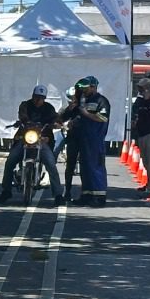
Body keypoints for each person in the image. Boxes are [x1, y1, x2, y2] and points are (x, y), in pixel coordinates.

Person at [0, 85, 64, 206]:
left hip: (42, 140)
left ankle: (58, 195)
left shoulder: (48, 108)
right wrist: (23, 121)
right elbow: (22, 115)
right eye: (36, 97)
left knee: (51, 164)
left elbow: (56, 118)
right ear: (33, 96)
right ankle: (6, 191)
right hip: (25, 138)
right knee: (10, 161)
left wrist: (57, 123)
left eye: (41, 98)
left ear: (44, 98)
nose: (38, 100)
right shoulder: (25, 105)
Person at [59, 76, 111, 206]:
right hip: (81, 139)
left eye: (86, 88)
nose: (84, 91)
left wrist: (85, 113)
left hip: (95, 140)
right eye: (81, 89)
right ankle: (86, 195)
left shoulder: (101, 101)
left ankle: (99, 197)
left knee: (95, 167)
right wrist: (72, 107)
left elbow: (102, 118)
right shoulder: (81, 101)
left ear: (93, 87)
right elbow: (65, 116)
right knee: (85, 168)